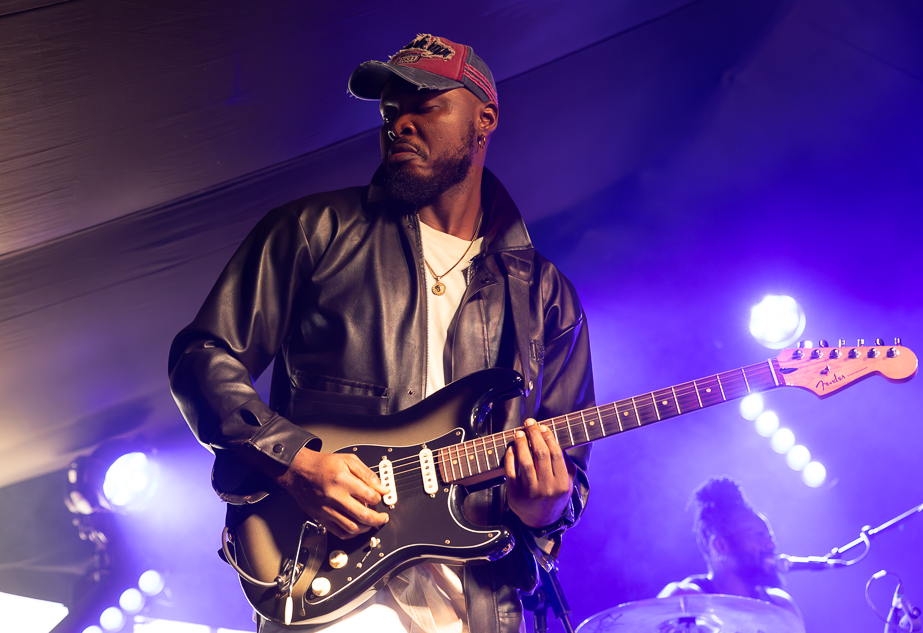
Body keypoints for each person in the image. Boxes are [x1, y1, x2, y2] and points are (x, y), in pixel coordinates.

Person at [168, 34, 595, 633]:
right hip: (331, 584)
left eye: (425, 106)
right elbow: (203, 357)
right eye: (390, 111)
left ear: (484, 120)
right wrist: (296, 463)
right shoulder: (314, 230)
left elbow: (565, 478)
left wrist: (545, 507)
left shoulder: (546, 296)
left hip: (476, 604)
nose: (399, 124)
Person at [658, 476, 802, 620]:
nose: (772, 545)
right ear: (721, 546)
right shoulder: (684, 601)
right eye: (759, 535)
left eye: (770, 537)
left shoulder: (782, 607)